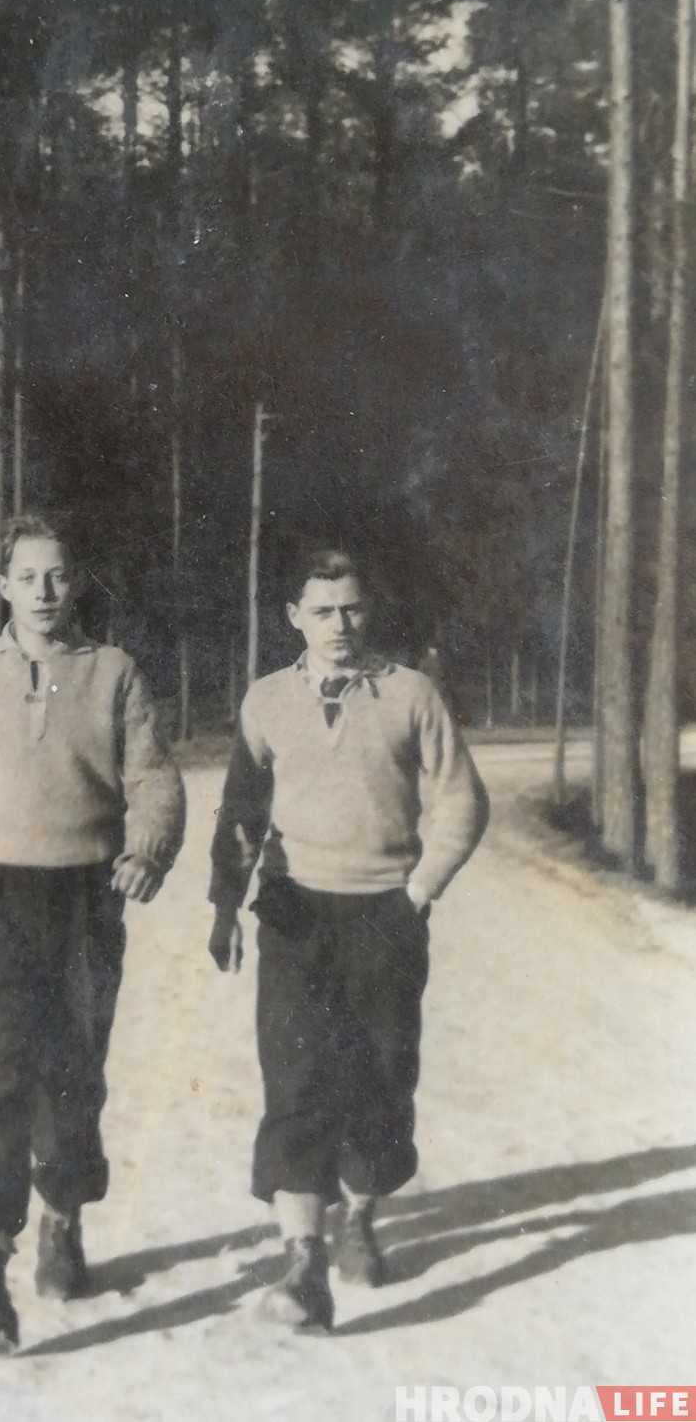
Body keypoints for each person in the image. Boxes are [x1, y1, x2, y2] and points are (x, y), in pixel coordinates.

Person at [0, 512, 185, 1353]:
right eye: (29, 577)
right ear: (3, 586)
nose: (47, 593)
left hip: (87, 897)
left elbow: (153, 777)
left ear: (75, 581)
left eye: (59, 576)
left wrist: (148, 850)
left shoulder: (115, 673)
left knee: (72, 1073)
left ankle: (63, 1213)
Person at [206, 547, 487, 1333]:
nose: (339, 624)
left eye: (352, 608)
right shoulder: (266, 701)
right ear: (294, 617)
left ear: (371, 613)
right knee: (295, 1081)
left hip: (383, 916)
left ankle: (360, 1211)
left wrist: (418, 893)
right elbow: (240, 814)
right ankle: (304, 1262)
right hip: (295, 914)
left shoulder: (410, 694)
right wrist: (227, 907)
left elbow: (463, 802)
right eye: (322, 610)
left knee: (381, 1082)